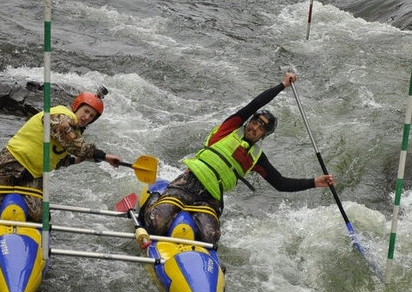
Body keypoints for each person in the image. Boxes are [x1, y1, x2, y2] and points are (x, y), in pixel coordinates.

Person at [142, 72, 335, 244]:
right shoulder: (230, 128)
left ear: (263, 136)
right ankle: (155, 199)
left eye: (261, 128)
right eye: (255, 122)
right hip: (188, 183)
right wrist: (282, 85)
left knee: (211, 238)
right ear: (250, 121)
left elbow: (280, 183)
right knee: (156, 225)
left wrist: (315, 182)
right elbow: (255, 104)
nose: (255, 128)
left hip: (210, 199)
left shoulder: (257, 158)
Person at [0, 88, 122, 222]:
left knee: (39, 216)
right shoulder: (60, 117)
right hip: (12, 163)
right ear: (77, 106)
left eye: (91, 116)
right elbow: (77, 145)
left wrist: (72, 161)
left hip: (34, 175)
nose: (87, 117)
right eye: (86, 111)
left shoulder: (74, 131)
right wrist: (105, 156)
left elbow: (56, 158)